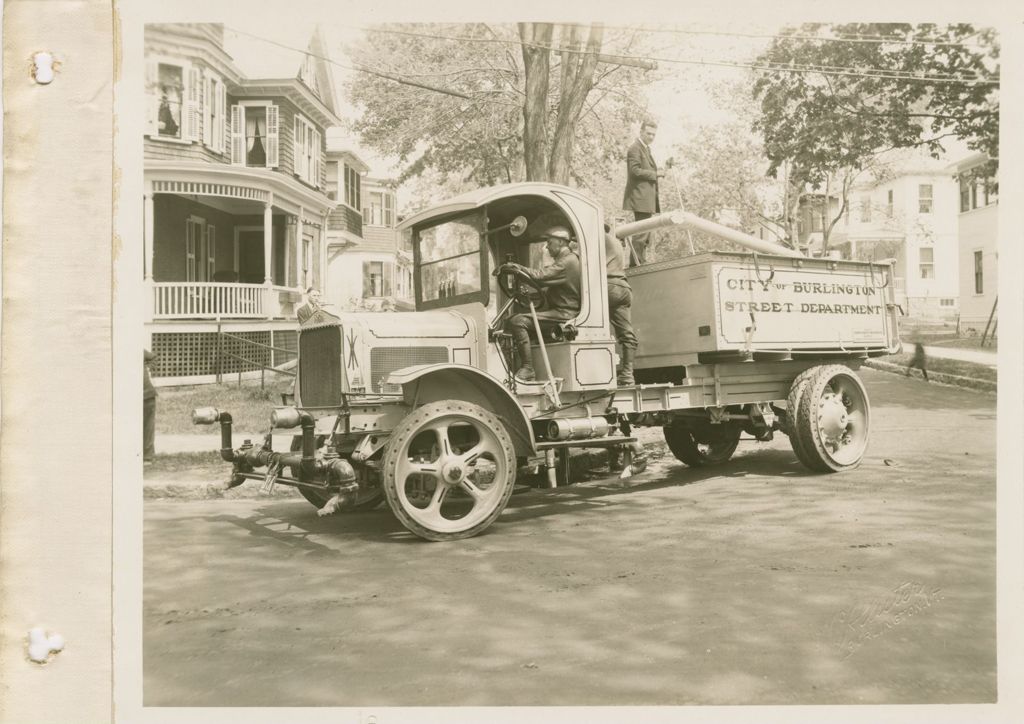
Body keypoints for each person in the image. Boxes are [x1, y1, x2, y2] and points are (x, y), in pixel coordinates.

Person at [502, 222, 581, 382]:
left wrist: (517, 268)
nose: (547, 246)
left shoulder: (568, 261)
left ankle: (528, 369)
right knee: (513, 320)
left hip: (565, 314)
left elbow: (540, 275)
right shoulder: (564, 260)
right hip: (560, 311)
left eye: (549, 242)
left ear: (560, 242)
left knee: (518, 321)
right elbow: (544, 282)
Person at [622, 119, 664, 267]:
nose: (651, 137)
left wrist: (662, 169)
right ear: (641, 132)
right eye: (648, 133)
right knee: (641, 234)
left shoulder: (645, 148)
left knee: (645, 233)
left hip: (646, 199)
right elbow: (634, 171)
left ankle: (640, 262)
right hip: (640, 198)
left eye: (654, 134)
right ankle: (636, 266)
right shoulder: (635, 148)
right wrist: (655, 174)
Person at [605, 228, 639, 386]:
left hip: (608, 285)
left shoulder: (597, 240)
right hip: (623, 287)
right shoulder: (615, 242)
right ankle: (627, 374)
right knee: (626, 333)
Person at [144, 349, 157, 463]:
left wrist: (148, 369)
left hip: (147, 395)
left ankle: (147, 456)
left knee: (147, 426)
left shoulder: (137, 350)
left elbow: (153, 357)